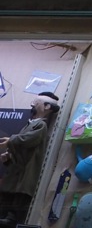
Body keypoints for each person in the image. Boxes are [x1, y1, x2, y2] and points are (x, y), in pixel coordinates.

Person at [0, 91, 60, 227]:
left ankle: (11, 218)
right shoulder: (28, 125)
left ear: (47, 107)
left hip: (25, 174)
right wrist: (8, 159)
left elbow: (28, 140)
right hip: (15, 172)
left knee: (17, 200)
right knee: (7, 196)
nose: (32, 105)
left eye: (36, 103)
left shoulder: (41, 126)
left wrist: (11, 140)